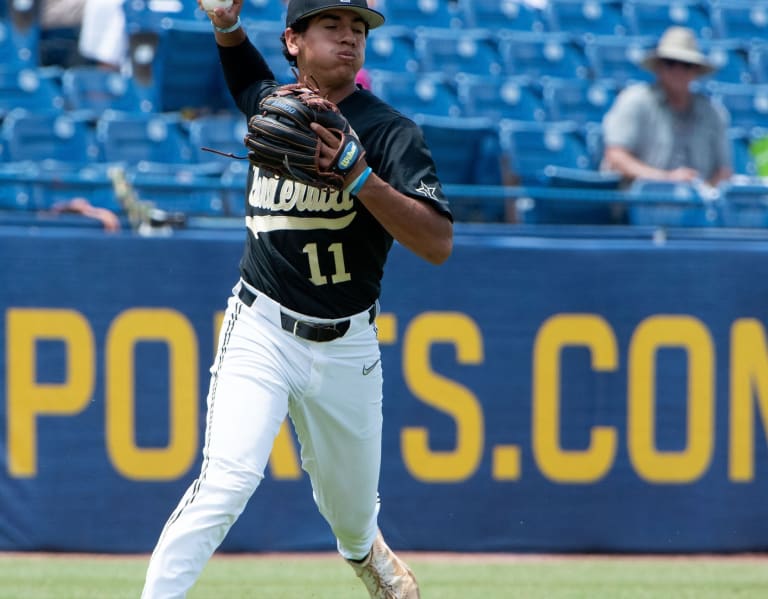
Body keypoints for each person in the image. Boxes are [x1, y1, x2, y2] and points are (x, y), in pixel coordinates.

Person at [140, 0, 453, 598]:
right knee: (225, 482)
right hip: (261, 327)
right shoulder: (276, 109)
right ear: (294, 41)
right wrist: (226, 26)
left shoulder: (389, 132)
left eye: (358, 28)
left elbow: (437, 241)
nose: (349, 37)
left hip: (347, 345)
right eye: (331, 25)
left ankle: (367, 556)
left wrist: (361, 176)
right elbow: (247, 81)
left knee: (352, 518)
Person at [601, 26, 733, 187]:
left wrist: (703, 192)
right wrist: (666, 180)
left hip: (696, 207)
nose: (678, 70)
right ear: (658, 67)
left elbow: (723, 172)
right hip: (638, 204)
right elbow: (616, 158)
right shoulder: (634, 101)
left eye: (686, 65)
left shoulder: (713, 113)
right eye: (670, 63)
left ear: (696, 70)